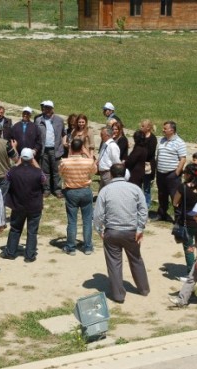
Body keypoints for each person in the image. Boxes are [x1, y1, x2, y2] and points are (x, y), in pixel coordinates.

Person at [93, 163, 149, 303]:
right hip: (131, 232)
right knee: (136, 259)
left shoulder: (105, 191)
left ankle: (118, 295)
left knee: (114, 263)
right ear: (125, 173)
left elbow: (98, 214)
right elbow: (143, 210)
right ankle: (143, 289)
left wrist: (99, 229)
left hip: (112, 232)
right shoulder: (135, 189)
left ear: (111, 174)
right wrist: (140, 228)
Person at [1, 148, 46, 262]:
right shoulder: (38, 172)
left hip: (18, 205)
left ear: (21, 158)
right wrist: (34, 162)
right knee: (32, 231)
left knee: (15, 229)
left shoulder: (13, 171)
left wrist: (17, 163)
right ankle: (30, 255)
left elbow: (7, 179)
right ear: (32, 159)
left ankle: (10, 252)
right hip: (34, 206)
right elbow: (44, 181)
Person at [59, 139, 97, 256]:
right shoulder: (88, 162)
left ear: (71, 148)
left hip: (71, 191)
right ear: (81, 148)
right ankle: (88, 247)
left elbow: (61, 174)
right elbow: (94, 171)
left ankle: (71, 247)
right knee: (87, 220)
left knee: (72, 221)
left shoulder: (64, 162)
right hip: (85, 191)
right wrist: (86, 153)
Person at [173, 163, 197, 280]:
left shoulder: (183, 187)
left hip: (187, 221)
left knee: (189, 248)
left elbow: (175, 202)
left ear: (188, 174)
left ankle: (191, 273)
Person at [154, 120, 187, 222]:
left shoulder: (179, 142)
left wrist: (177, 172)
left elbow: (183, 158)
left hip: (172, 174)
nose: (163, 130)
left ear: (172, 130)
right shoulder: (161, 140)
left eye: (165, 128)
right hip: (160, 173)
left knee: (175, 196)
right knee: (162, 195)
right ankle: (162, 214)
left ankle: (178, 218)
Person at [35, 100, 66, 198]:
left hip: (55, 150)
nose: (47, 110)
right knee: (45, 171)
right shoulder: (38, 120)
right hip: (44, 150)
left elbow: (63, 133)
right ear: (43, 108)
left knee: (56, 171)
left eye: (49, 108)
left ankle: (57, 190)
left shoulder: (59, 120)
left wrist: (63, 143)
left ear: (53, 109)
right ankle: (46, 189)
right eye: (46, 108)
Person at [140, 119, 157, 209]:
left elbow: (150, 152)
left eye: (143, 126)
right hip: (139, 165)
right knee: (138, 185)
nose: (141, 128)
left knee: (146, 187)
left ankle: (147, 204)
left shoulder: (152, 138)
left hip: (148, 165)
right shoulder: (141, 136)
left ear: (148, 127)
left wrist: (140, 152)